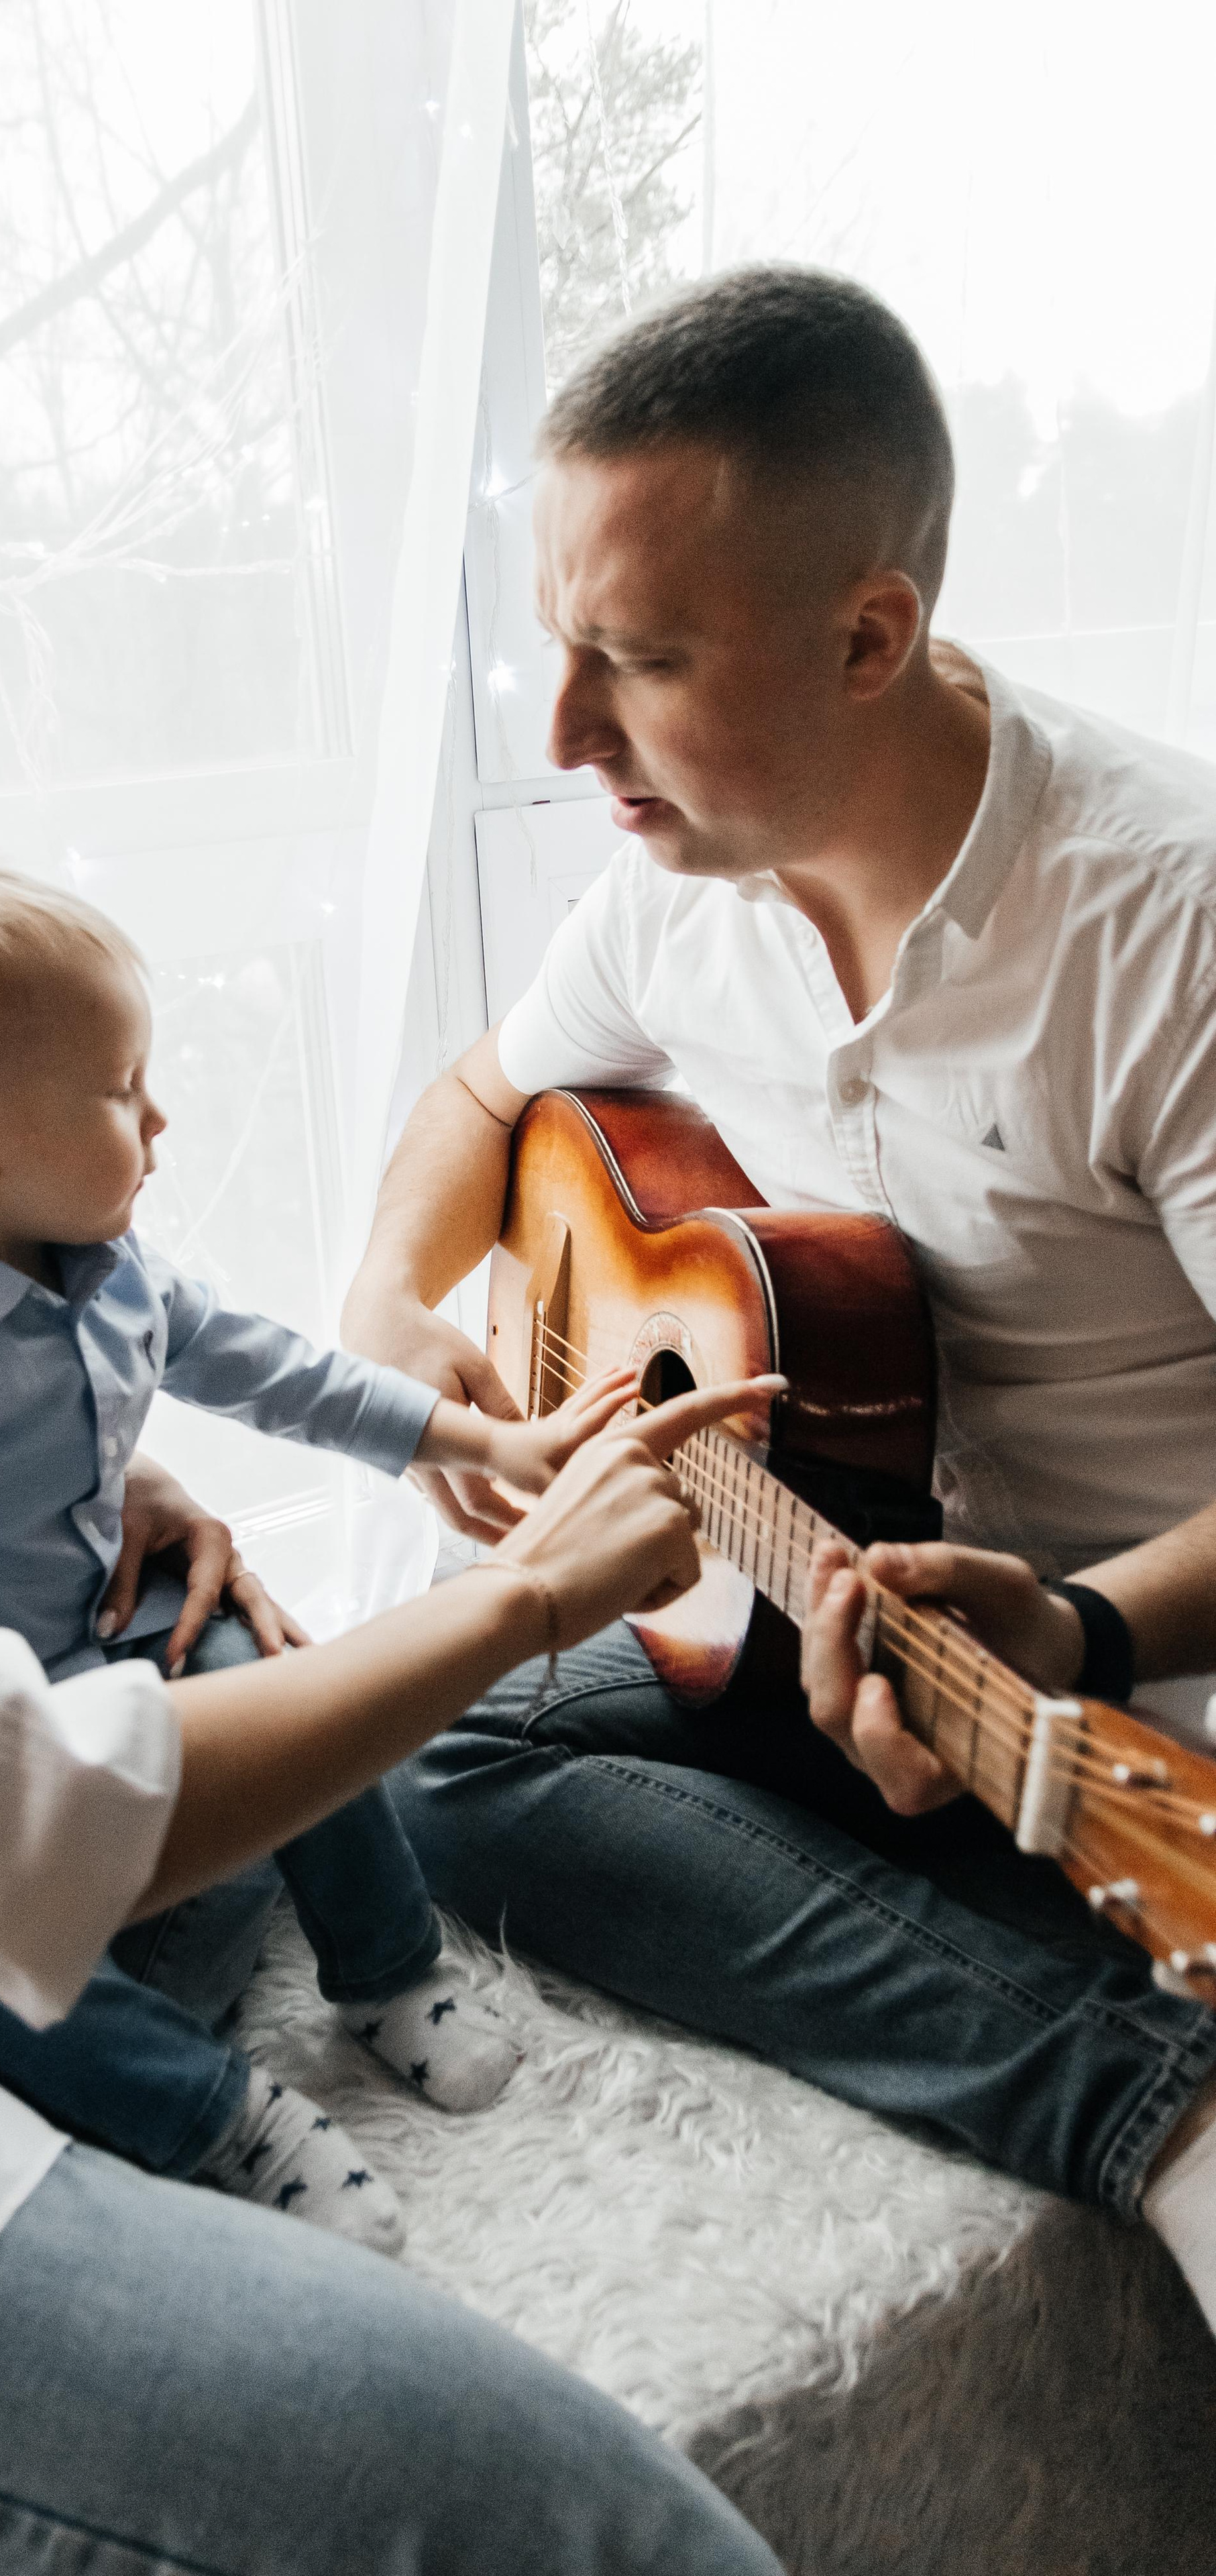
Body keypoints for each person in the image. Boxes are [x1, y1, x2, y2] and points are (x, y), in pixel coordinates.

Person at [0, 352, 787, 2576]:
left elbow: (240, 1356)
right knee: (617, 2534)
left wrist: (173, 1472)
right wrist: (518, 1594)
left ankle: (389, 1983)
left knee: (452, 1775)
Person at [340, 264, 1216, 2333]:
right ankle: (1144, 2081)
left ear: (871, 637)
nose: (562, 734)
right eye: (562, 645)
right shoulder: (677, 888)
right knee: (432, 1746)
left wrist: (1083, 1624)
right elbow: (486, 1096)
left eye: (635, 660)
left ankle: (1167, 2115)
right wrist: (391, 1300)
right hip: (855, 1614)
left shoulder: (1163, 926)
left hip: (1148, 1678)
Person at [0, 851, 637, 2252]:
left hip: (108, 1636)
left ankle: (387, 1969)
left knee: (268, 1664)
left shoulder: (116, 1266)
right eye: (123, 1091)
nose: (163, 1118)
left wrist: (484, 1447)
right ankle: (219, 2115)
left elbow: (279, 1374)